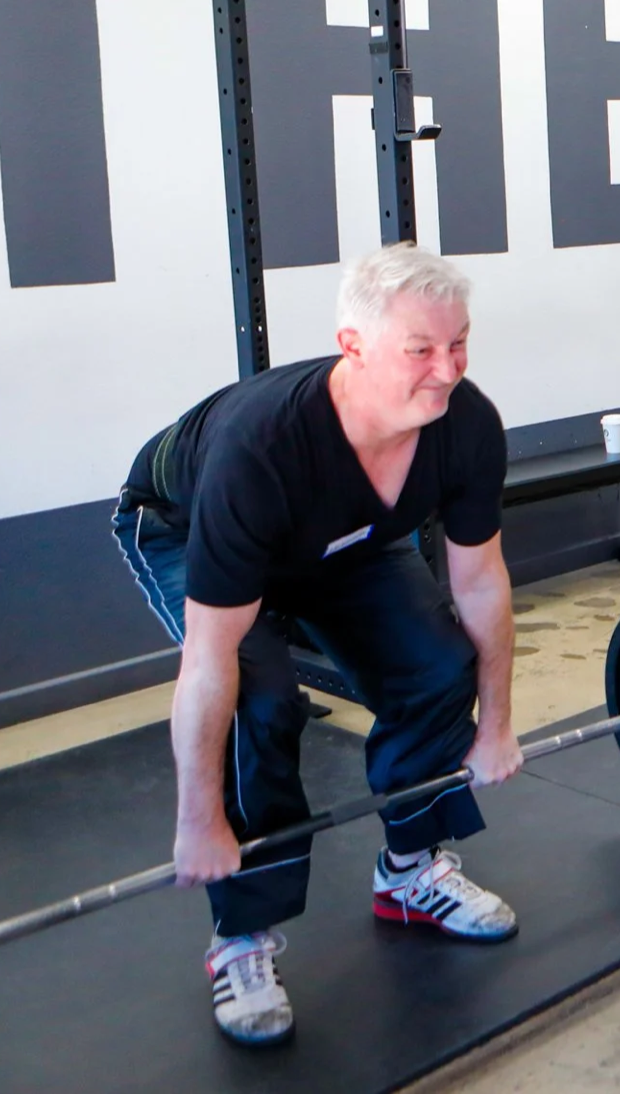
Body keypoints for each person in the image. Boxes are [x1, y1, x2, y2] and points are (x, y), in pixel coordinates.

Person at [111, 243, 522, 1046]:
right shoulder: (261, 447)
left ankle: (410, 869)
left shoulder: (463, 423)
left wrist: (495, 721)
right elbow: (210, 659)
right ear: (353, 346)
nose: (446, 369)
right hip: (183, 524)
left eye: (459, 342)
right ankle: (242, 934)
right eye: (421, 349)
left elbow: (480, 583)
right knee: (262, 701)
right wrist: (198, 818)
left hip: (342, 536)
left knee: (440, 663)